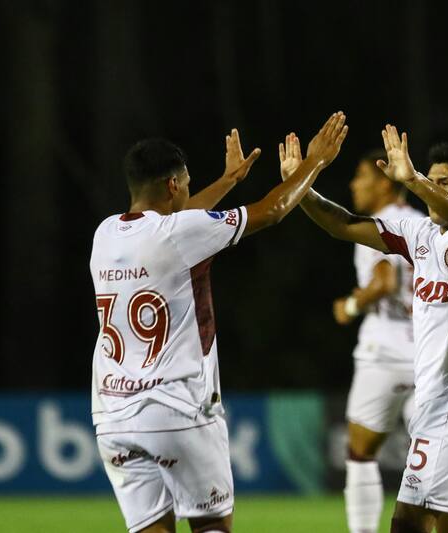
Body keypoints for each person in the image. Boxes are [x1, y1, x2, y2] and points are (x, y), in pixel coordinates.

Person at [90, 112, 348, 533]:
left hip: (113, 416)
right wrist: (315, 161)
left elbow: (177, 224)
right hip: (177, 407)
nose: (189, 190)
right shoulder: (177, 235)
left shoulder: (105, 235)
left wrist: (228, 181)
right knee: (212, 525)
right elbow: (272, 210)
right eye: (187, 183)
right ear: (173, 185)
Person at [280, 125, 448, 533]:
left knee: (407, 521)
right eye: (430, 180)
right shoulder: (419, 233)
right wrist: (301, 185)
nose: (431, 190)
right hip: (442, 396)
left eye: (444, 183)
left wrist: (414, 180)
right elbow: (343, 225)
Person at [283, 141, 422, 533]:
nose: (353, 184)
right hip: (427, 353)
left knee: (360, 452)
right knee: (435, 451)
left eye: (361, 176)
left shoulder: (379, 226)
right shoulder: (421, 222)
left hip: (384, 352)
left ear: (385, 182)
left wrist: (351, 306)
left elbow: (384, 280)